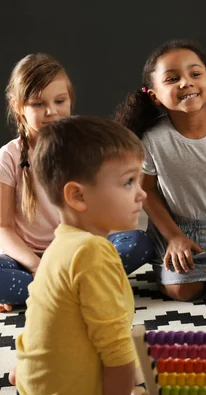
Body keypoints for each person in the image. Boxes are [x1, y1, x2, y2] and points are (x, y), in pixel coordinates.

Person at [1, 54, 150, 313]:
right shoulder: (9, 157)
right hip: (28, 259)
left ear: (70, 99)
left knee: (139, 243)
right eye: (38, 104)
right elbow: (3, 228)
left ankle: (51, 291)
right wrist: (38, 267)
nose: (52, 112)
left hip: (79, 254)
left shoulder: (87, 152)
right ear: (18, 107)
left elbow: (98, 215)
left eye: (60, 101)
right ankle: (77, 288)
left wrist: (87, 253)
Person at [14, 116, 147, 395]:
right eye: (128, 182)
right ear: (77, 196)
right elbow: (117, 356)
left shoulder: (62, 243)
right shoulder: (91, 253)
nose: (142, 194)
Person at [115, 40, 206, 301]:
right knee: (184, 292)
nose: (185, 83)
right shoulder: (152, 140)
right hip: (176, 226)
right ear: (154, 95)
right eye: (172, 78)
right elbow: (146, 189)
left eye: (195, 74)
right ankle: (176, 271)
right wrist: (174, 237)